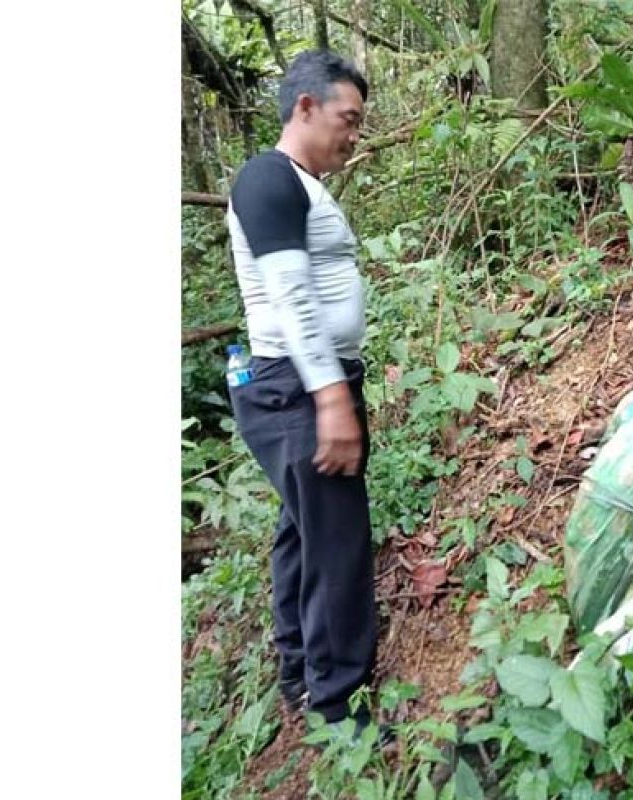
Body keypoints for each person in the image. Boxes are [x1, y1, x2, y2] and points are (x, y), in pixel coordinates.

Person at [224, 50, 378, 734]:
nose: (355, 134)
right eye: (348, 118)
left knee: (305, 530)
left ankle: (298, 670)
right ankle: (340, 705)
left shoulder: (299, 185)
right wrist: (332, 398)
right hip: (297, 387)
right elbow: (290, 297)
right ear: (306, 107)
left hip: (301, 385)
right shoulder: (267, 178)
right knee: (339, 539)